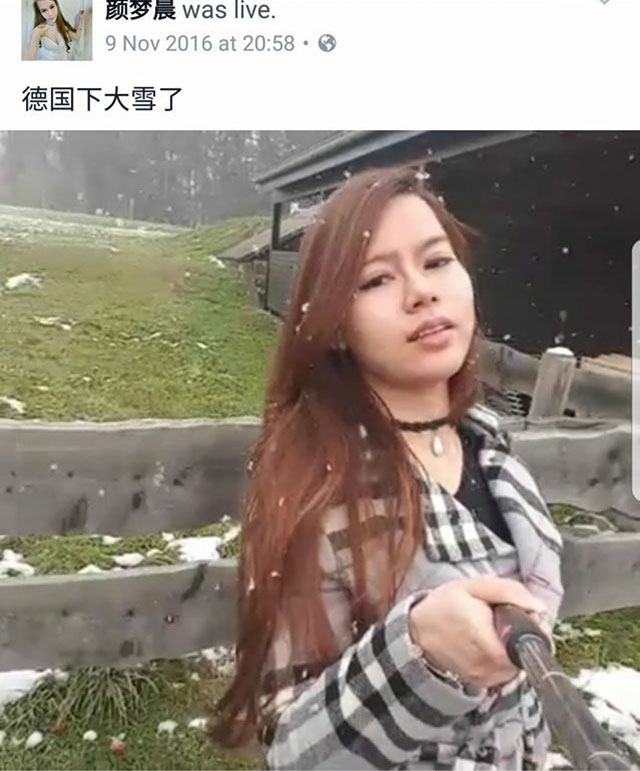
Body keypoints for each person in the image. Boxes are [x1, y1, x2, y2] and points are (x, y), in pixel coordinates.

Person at [208, 164, 564, 769]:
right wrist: (420, 653)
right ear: (335, 324)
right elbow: (294, 749)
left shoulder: (495, 452)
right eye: (376, 279)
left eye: (436, 261)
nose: (421, 292)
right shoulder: (315, 488)